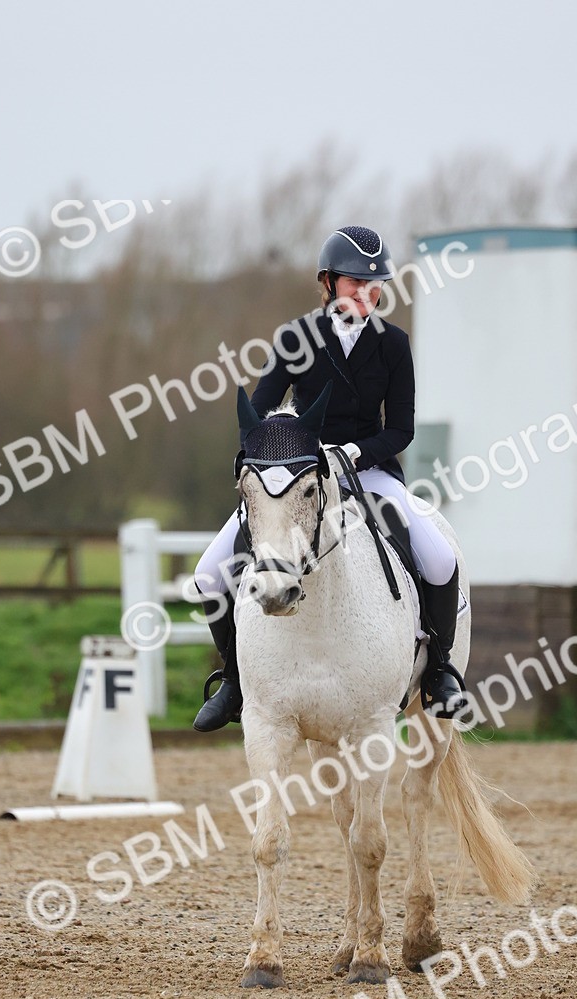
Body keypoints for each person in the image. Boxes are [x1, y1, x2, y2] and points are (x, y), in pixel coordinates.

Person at [193, 225, 467, 732]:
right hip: (298, 479)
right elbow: (254, 418)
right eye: (354, 283)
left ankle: (440, 672)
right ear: (328, 282)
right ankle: (234, 679)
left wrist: (355, 453)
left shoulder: (393, 345)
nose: (367, 293)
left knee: (439, 555)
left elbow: (401, 430)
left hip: (371, 473)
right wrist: (289, 451)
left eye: (375, 284)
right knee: (210, 572)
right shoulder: (296, 339)